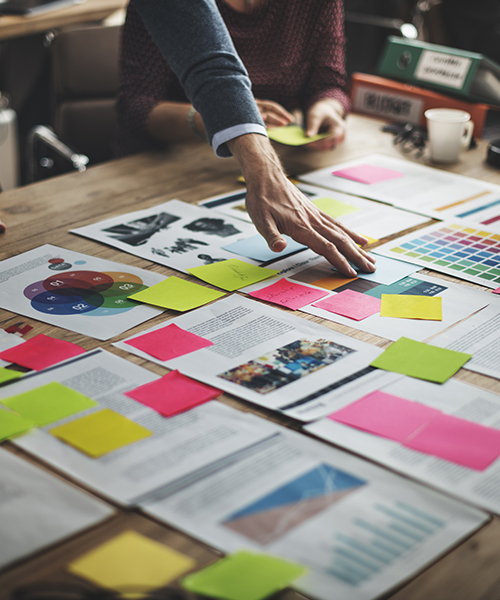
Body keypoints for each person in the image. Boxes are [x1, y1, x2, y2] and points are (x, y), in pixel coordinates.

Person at [127, 0, 376, 278]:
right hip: (163, 176)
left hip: (283, 162)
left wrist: (328, 105)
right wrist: (219, 119)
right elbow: (208, 70)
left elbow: (329, 81)